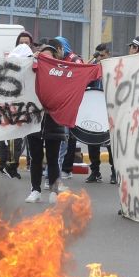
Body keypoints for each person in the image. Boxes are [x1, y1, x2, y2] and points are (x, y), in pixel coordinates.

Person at [26, 44, 69, 204]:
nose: (46, 59)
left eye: (49, 56)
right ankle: (35, 190)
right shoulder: (32, 72)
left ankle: (54, 191)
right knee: (35, 158)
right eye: (43, 56)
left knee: (53, 158)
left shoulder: (61, 75)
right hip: (34, 120)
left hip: (54, 121)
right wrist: (30, 59)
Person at [0, 30, 35, 179]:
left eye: (27, 43)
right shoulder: (10, 64)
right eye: (21, 43)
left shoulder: (33, 62)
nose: (24, 45)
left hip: (27, 107)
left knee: (20, 138)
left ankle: (10, 166)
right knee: (12, 138)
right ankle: (8, 166)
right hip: (13, 107)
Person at [53, 36, 83, 180]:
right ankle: (55, 167)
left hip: (72, 103)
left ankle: (66, 168)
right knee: (59, 136)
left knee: (69, 137)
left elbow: (81, 77)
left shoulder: (74, 60)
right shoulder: (56, 60)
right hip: (59, 103)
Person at [86, 44, 116, 184]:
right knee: (92, 141)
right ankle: (95, 172)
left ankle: (114, 172)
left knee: (110, 143)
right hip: (94, 109)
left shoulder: (114, 68)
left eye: (102, 56)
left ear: (109, 54)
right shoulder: (93, 67)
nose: (100, 58)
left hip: (109, 110)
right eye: (98, 56)